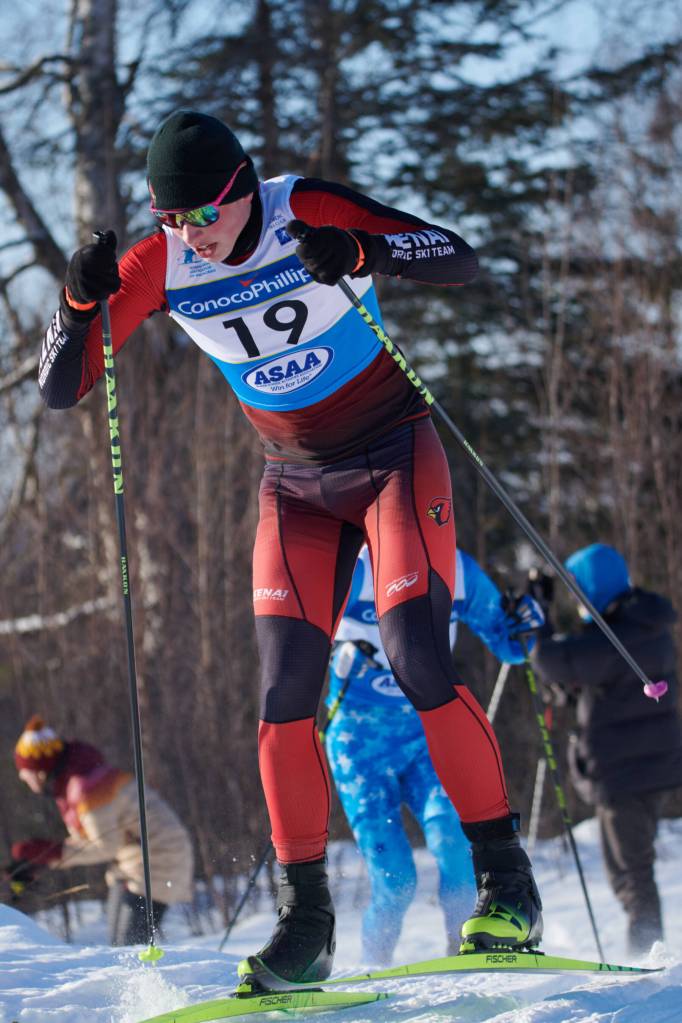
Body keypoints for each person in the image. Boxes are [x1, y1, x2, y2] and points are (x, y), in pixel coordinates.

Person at [39, 108, 544, 987]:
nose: (187, 234)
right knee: (280, 698)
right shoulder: (161, 261)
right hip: (295, 482)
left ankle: (508, 884)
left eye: (202, 214)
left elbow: (454, 254)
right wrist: (79, 301)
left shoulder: (300, 206)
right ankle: (305, 919)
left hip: (392, 453)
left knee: (417, 655)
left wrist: (364, 254)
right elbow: (62, 385)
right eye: (169, 217)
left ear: (241, 189)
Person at [326, 544, 544, 965]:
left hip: (426, 731)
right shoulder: (355, 566)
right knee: (396, 881)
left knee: (456, 851)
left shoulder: (458, 569)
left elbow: (509, 645)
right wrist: (336, 653)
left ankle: (466, 959)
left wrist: (526, 623)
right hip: (359, 742)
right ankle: (374, 968)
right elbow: (298, 631)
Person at [531, 543, 682, 956]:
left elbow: (549, 658)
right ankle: (647, 948)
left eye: (577, 590)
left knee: (631, 873)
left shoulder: (622, 635)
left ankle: (648, 956)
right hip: (640, 766)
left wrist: (539, 614)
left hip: (629, 771)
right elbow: (608, 686)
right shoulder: (641, 625)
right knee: (627, 871)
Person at [10, 715, 194, 945]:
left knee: (129, 949)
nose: (21, 775)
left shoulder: (87, 788)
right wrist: (40, 859)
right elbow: (90, 838)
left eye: (24, 769)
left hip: (158, 862)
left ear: (39, 770)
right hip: (133, 863)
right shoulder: (77, 781)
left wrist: (47, 853)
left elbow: (103, 846)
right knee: (121, 949)